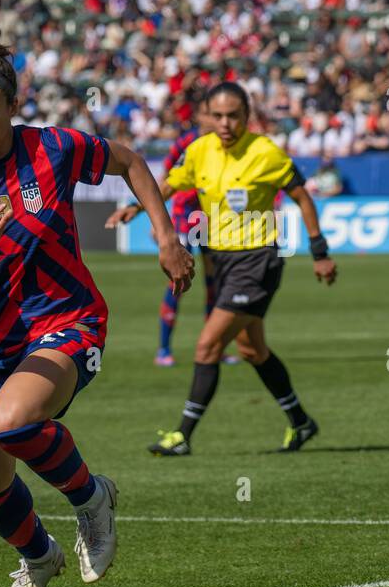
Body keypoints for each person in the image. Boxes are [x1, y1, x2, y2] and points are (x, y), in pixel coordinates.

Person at [0, 23, 194, 587]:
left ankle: (92, 499)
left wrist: (166, 237)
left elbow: (131, 162)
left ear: (14, 106)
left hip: (69, 320)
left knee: (10, 422)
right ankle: (39, 556)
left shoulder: (56, 148)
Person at [108, 82, 336, 456]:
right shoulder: (199, 151)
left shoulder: (265, 152)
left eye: (234, 115)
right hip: (223, 260)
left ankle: (182, 436)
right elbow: (170, 184)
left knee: (208, 344)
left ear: (247, 116)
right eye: (218, 116)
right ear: (207, 117)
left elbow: (302, 197)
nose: (226, 123)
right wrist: (135, 209)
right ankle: (300, 421)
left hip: (258, 260)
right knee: (252, 349)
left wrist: (320, 251)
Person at [151, 93, 229, 367]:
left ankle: (215, 347)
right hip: (185, 220)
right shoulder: (186, 142)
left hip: (213, 220)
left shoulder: (224, 143)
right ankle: (163, 349)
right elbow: (165, 179)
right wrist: (157, 222)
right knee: (178, 282)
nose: (217, 120)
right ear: (200, 116)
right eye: (212, 114)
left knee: (214, 285)